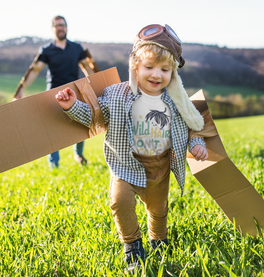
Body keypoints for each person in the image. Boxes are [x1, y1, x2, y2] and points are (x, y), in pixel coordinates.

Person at [55, 24, 208, 272]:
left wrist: (197, 144)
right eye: (149, 67)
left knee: (158, 210)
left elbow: (193, 127)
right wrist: (71, 106)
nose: (156, 74)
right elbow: (95, 118)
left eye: (165, 70)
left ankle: (159, 242)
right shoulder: (117, 95)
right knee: (119, 201)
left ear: (173, 74)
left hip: (159, 168)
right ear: (135, 67)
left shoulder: (176, 101)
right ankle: (133, 246)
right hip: (126, 164)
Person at [13, 15, 95, 169]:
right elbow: (35, 69)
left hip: (74, 92)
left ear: (66, 27)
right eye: (57, 25)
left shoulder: (76, 48)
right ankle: (54, 164)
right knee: (51, 130)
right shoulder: (47, 50)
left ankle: (78, 154)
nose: (60, 28)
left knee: (80, 124)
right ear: (52, 29)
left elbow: (87, 67)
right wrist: (21, 89)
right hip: (53, 94)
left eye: (62, 25)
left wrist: (97, 83)